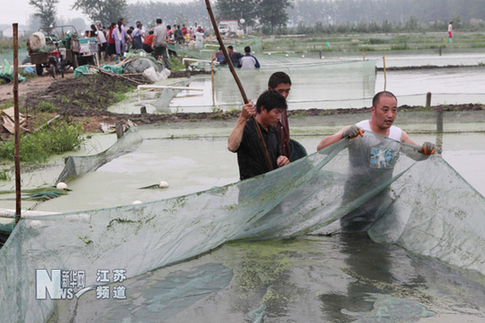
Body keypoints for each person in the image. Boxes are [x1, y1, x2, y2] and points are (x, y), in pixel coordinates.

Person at [316, 91, 436, 232]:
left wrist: (427, 149)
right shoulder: (358, 131)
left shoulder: (398, 135)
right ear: (373, 110)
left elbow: (417, 154)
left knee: (385, 250)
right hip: (354, 205)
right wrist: (344, 134)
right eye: (385, 110)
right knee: (352, 247)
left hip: (383, 206)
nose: (390, 115)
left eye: (394, 110)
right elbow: (322, 148)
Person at [228, 90, 290, 180]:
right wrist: (243, 117)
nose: (279, 117)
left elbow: (278, 154)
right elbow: (231, 146)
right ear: (263, 109)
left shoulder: (273, 130)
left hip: (271, 185)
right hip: (251, 188)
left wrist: (282, 160)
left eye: (281, 113)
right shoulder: (246, 129)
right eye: (276, 112)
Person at [268, 72, 292, 158]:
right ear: (270, 89)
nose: (284, 95)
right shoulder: (261, 112)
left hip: (283, 161)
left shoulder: (283, 107)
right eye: (280, 91)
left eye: (287, 91)